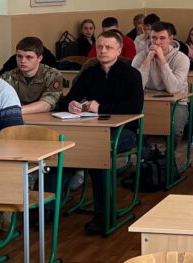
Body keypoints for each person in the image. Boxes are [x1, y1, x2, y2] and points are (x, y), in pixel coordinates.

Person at [56, 30, 144, 233]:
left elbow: (134, 106)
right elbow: (67, 99)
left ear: (119, 51)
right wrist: (71, 105)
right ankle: (50, 208)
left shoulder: (131, 74)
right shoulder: (90, 73)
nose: (103, 51)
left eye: (109, 47)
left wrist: (101, 108)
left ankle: (103, 215)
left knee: (98, 155)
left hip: (123, 131)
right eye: (100, 47)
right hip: (93, 130)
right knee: (62, 151)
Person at [132, 21, 191, 138]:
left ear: (170, 39)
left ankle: (169, 150)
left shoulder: (181, 58)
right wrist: (148, 60)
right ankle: (146, 148)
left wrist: (162, 60)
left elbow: (173, 88)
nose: (157, 42)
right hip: (147, 101)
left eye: (162, 38)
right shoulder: (140, 56)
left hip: (175, 103)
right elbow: (135, 87)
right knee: (134, 125)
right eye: (154, 38)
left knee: (174, 128)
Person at [0, 37, 64, 113]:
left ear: (40, 58)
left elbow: (46, 105)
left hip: (45, 117)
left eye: (29, 57)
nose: (23, 61)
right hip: (17, 117)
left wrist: (14, 111)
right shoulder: (7, 77)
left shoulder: (53, 75)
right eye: (19, 56)